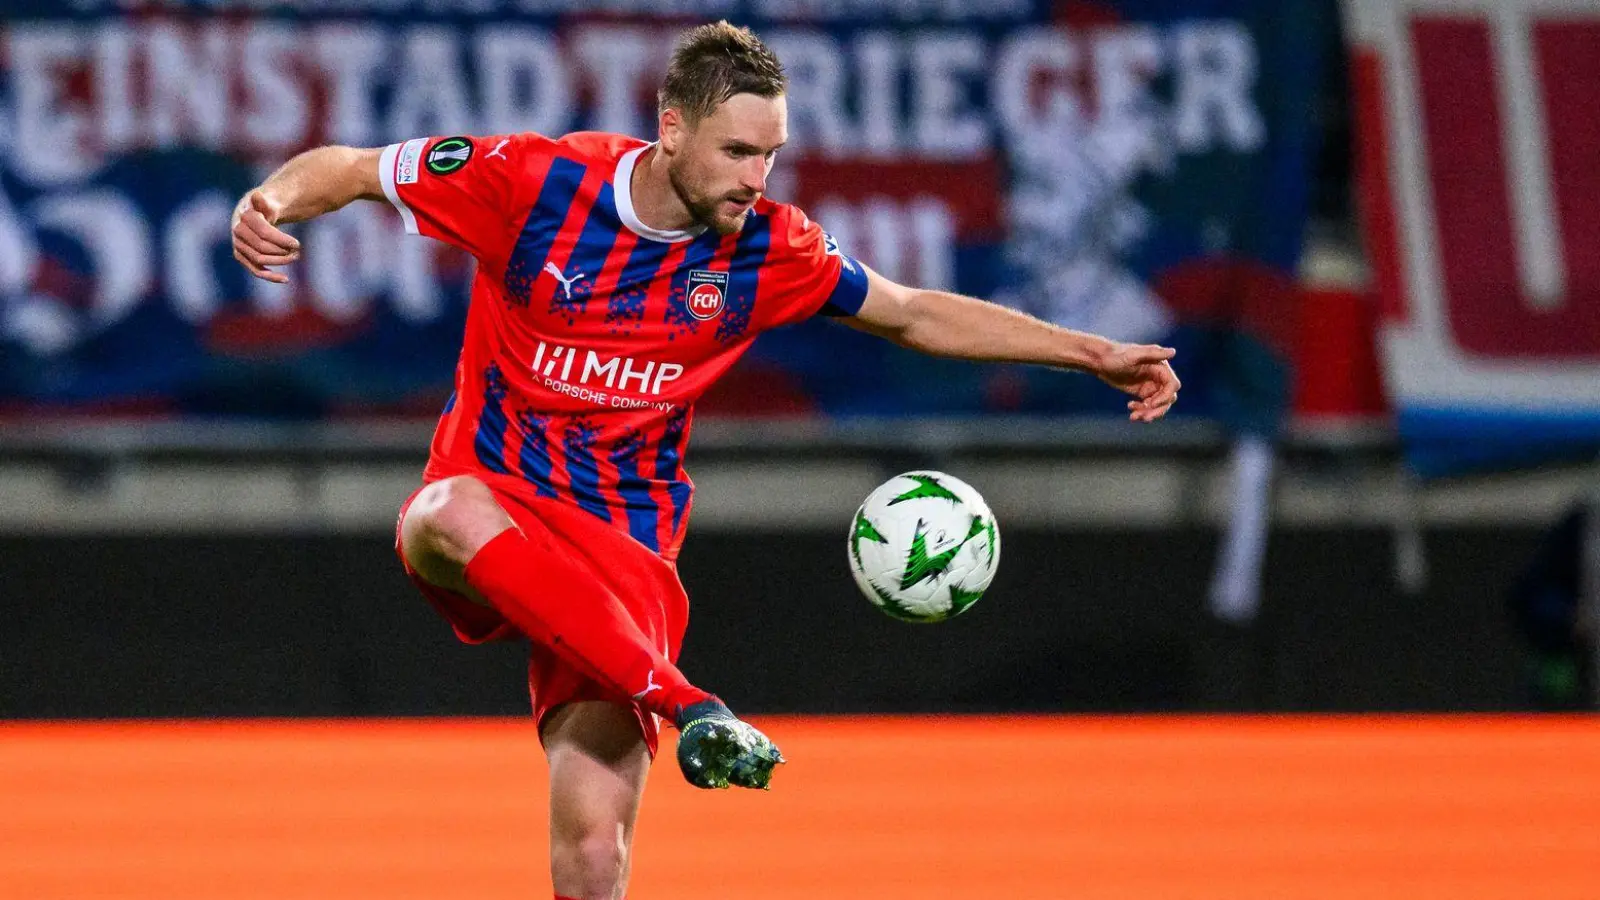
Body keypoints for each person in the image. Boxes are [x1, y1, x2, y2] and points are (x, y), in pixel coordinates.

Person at [229, 20, 1179, 900]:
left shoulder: (771, 246)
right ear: (671, 129)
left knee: (594, 852)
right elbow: (350, 168)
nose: (756, 177)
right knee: (442, 514)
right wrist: (269, 199)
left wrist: (1095, 353)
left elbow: (912, 311)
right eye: (737, 151)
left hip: (622, 545)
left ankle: (674, 708)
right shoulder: (529, 183)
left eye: (770, 155)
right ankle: (696, 706)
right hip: (497, 499)